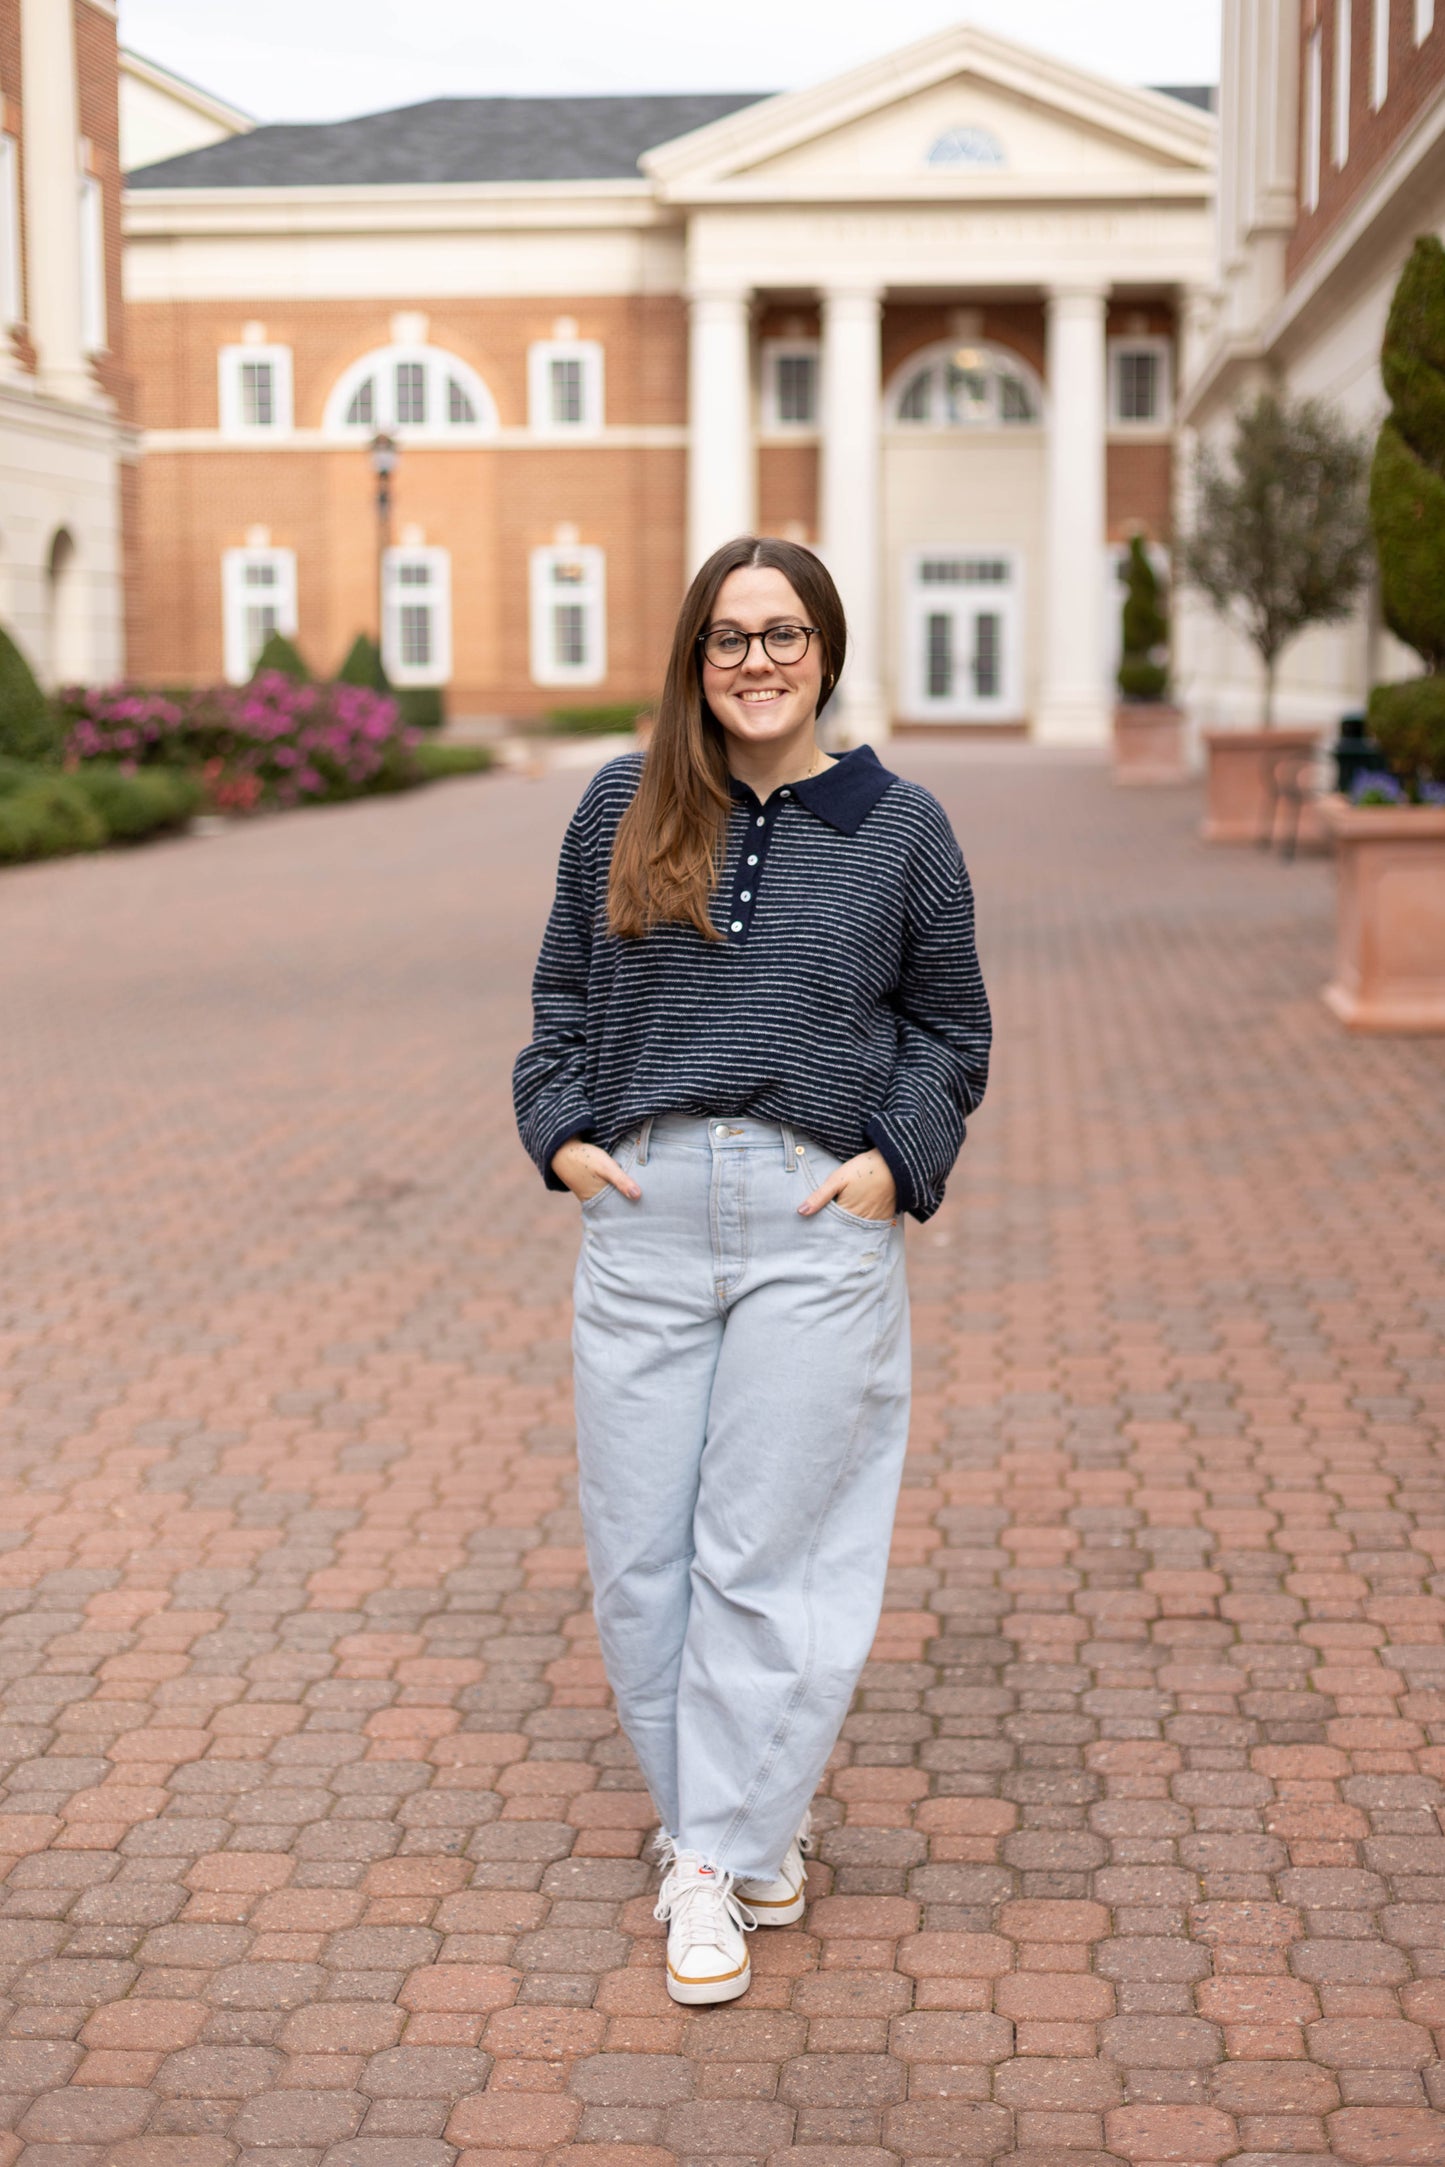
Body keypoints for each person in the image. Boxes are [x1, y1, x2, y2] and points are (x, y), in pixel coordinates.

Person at [513, 535, 990, 2005]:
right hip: (646, 1211)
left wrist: (886, 1171)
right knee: (641, 1563)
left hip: (808, 1220)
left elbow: (950, 1033)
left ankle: (707, 1857)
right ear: (694, 660)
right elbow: (559, 1002)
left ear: (825, 650)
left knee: (763, 1560)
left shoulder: (900, 828)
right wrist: (560, 1135)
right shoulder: (623, 803)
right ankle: (739, 1823)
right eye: (729, 638)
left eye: (783, 634)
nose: (757, 662)